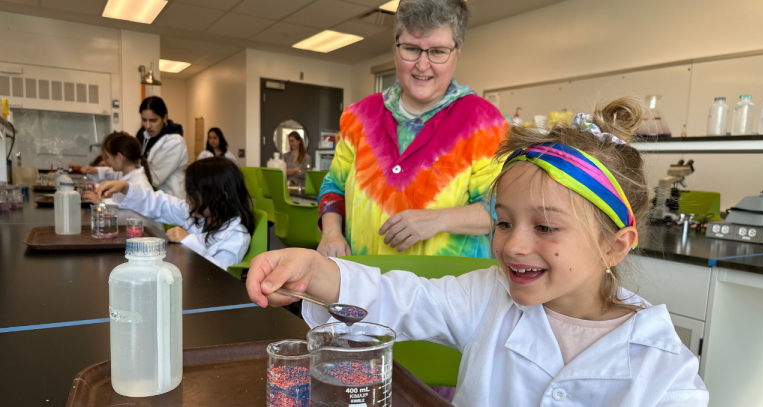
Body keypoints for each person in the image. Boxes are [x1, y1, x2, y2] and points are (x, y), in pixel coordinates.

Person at [245, 97, 710, 406]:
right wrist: (313, 268)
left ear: (615, 245)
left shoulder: (666, 371)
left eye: (545, 226)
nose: (513, 244)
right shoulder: (490, 297)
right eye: (503, 222)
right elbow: (400, 299)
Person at [317, 0, 507, 258]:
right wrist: (331, 234)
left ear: (457, 52)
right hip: (363, 280)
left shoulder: (484, 122)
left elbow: (501, 209)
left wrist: (437, 220)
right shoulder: (359, 116)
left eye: (437, 52)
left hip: (444, 289)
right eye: (411, 49)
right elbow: (334, 187)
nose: (422, 65)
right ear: (395, 47)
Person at [97, 157, 255, 271]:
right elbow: (160, 203)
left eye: (193, 194)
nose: (187, 200)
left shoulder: (236, 236)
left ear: (222, 196)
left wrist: (188, 239)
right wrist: (125, 187)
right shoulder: (197, 215)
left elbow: (221, 271)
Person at [79, 132, 154, 204]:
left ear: (120, 157)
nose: (107, 161)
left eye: (108, 157)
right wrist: (94, 170)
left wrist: (101, 201)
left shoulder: (140, 182)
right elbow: (109, 172)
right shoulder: (124, 173)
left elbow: (134, 205)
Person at [136, 96, 188, 199]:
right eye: (144, 120)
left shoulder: (175, 142)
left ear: (164, 118)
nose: (147, 126)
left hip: (171, 200)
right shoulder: (145, 137)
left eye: (153, 120)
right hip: (154, 199)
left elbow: (154, 179)